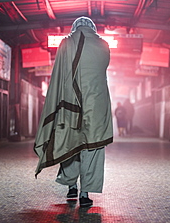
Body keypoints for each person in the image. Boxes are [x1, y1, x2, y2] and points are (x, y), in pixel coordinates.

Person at [34, 16, 113, 208]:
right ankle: (85, 193)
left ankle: (71, 187)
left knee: (70, 145)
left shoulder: (66, 43)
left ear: (74, 27)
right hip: (97, 106)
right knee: (92, 148)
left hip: (70, 105)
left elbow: (59, 75)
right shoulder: (104, 46)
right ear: (92, 27)